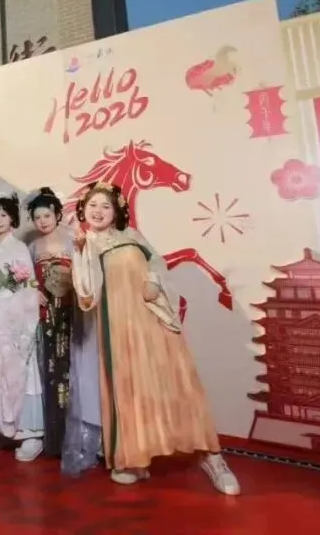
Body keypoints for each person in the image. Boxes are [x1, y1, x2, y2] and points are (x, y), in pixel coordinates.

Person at [72, 181, 240, 494]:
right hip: (119, 330)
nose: (98, 211)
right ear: (83, 210)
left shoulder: (131, 236)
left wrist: (153, 279)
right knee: (130, 390)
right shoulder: (87, 244)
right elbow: (86, 293)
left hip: (153, 318)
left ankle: (212, 457)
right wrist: (82, 252)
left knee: (178, 383)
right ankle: (135, 458)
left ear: (117, 211)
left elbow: (156, 262)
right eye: (92, 205)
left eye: (106, 206)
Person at [27, 186, 101, 475]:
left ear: (58, 214)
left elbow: (86, 273)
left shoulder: (73, 238)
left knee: (74, 370)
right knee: (49, 370)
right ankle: (54, 437)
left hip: (72, 313)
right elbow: (27, 279)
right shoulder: (33, 247)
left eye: (47, 215)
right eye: (37, 217)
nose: (42, 221)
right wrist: (32, 290)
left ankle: (81, 439)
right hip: (46, 316)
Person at [0, 190, 45, 461]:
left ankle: (30, 433)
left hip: (12, 322)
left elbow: (28, 288)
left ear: (12, 218)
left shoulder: (18, 248)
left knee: (19, 372)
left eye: (3, 215)